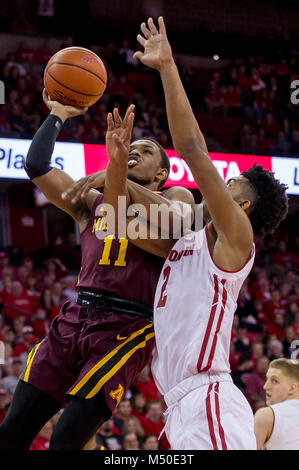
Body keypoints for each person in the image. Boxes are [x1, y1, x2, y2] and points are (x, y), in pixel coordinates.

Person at [101, 17, 288, 449]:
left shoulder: (237, 239)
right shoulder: (185, 241)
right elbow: (115, 221)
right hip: (178, 407)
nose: (221, 184)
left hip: (209, 399)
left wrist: (167, 68)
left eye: (232, 183)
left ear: (240, 206)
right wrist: (114, 164)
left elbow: (191, 149)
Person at [0, 88, 193, 450]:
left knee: (65, 440)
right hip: (75, 315)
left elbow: (179, 224)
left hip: (127, 325)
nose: (135, 151)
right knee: (12, 432)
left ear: (162, 174)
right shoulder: (93, 202)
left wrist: (114, 170)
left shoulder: (175, 195)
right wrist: (57, 114)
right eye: (131, 148)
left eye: (146, 150)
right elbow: (37, 167)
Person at [254, 358, 299, 449]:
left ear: (292, 388)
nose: (265, 386)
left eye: (274, 381)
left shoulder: (266, 415)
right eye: (267, 379)